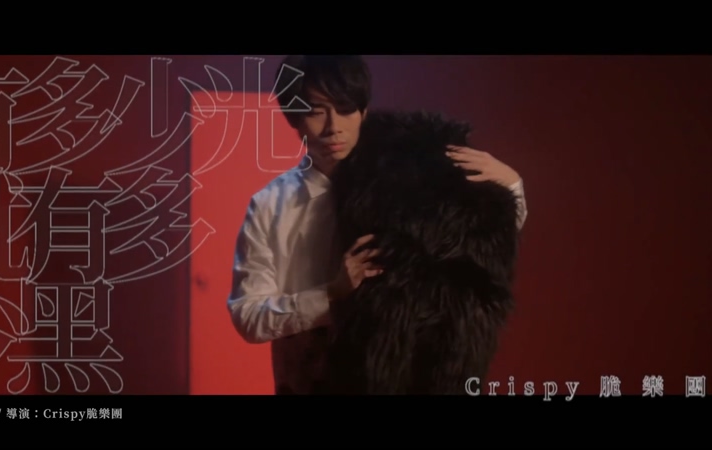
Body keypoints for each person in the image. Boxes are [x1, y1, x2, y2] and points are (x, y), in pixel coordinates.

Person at [226, 55, 528, 395]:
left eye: (346, 109)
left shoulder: (405, 180)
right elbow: (247, 314)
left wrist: (511, 184)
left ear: (364, 111)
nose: (333, 127)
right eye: (316, 111)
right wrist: (330, 295)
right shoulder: (270, 205)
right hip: (306, 380)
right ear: (293, 117)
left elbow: (473, 241)